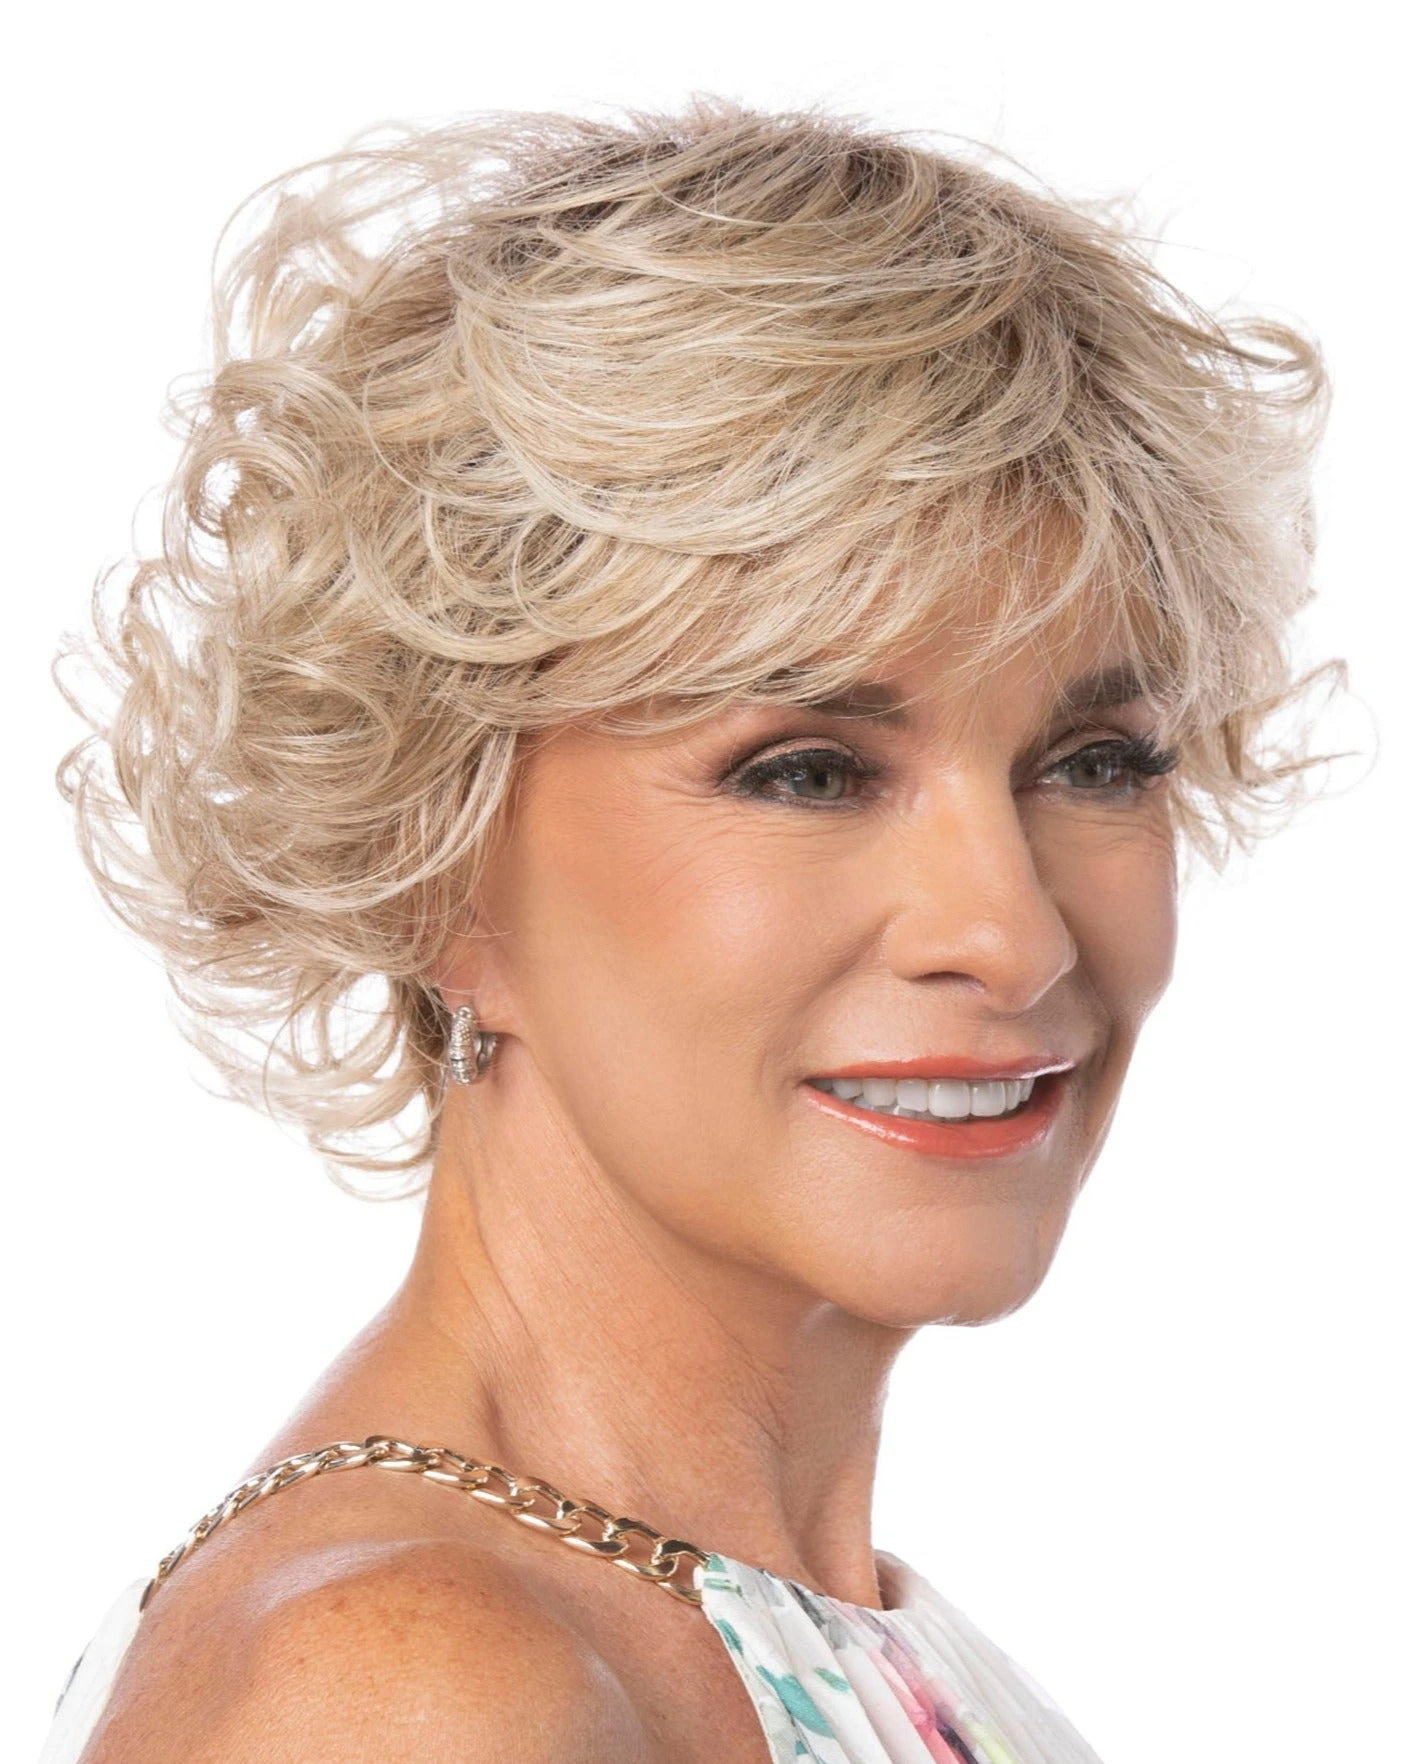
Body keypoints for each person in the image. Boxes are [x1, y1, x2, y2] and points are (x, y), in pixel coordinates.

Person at [44, 99, 1329, 1763]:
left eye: (1095, 762)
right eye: (806, 772)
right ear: (427, 861)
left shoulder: (739, 1612)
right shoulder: (415, 1690)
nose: (1010, 937)